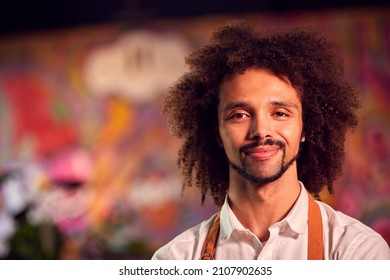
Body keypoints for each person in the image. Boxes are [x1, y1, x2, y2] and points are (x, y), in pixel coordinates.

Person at [152, 21, 390, 260]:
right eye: (239, 115)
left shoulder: (357, 251)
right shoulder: (174, 260)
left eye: (280, 113)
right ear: (217, 133)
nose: (261, 131)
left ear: (305, 126)